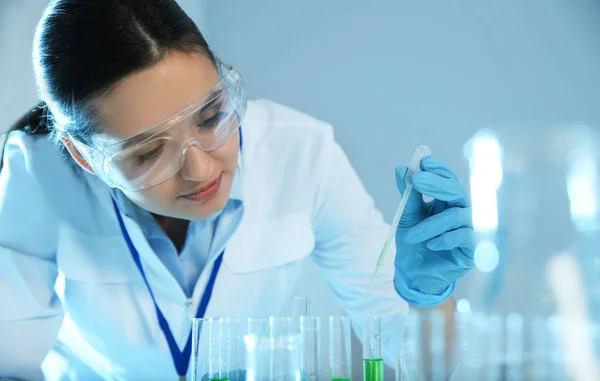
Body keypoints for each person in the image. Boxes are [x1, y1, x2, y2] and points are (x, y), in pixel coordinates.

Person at [0, 0, 474, 380]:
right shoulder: (38, 177)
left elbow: (416, 362)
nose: (202, 169)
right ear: (86, 159)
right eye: (147, 154)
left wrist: (427, 298)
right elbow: (10, 364)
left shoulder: (303, 153)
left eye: (211, 118)